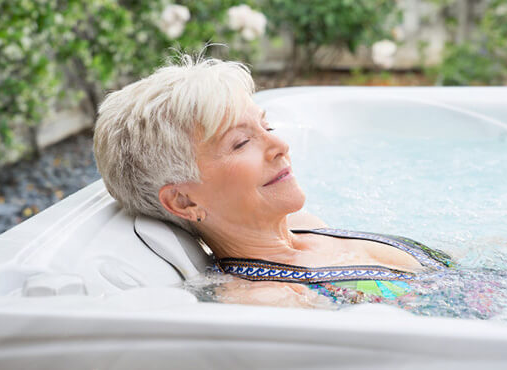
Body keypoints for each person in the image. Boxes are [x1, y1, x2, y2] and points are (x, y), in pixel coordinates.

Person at [93, 53, 453, 309]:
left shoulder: (304, 227)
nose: (280, 145)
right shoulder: (269, 298)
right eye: (241, 142)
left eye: (266, 126)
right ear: (185, 201)